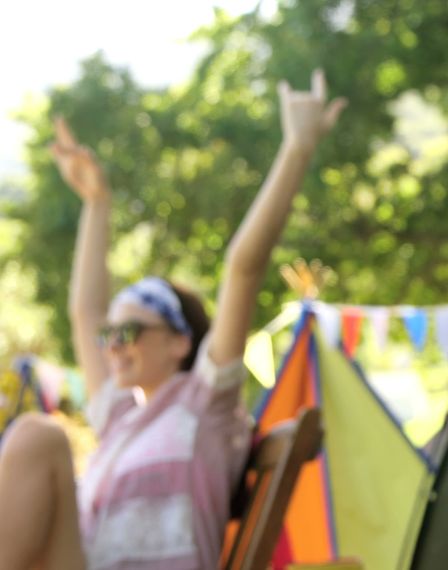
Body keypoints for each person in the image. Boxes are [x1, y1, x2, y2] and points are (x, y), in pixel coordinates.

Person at [0, 69, 346, 569]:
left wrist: (297, 149)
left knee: (38, 434)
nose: (113, 345)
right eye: (110, 335)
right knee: (37, 436)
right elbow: (84, 312)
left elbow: (243, 268)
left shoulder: (205, 404)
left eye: (130, 331)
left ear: (180, 343)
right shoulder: (118, 417)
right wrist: (97, 202)